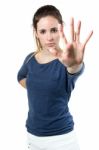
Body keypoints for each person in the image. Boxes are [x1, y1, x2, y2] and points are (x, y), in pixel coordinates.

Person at [17, 5, 93, 150]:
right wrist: (38, 88)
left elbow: (75, 69)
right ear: (36, 33)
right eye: (43, 31)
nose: (49, 37)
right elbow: (20, 77)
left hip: (62, 140)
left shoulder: (67, 61)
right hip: (33, 137)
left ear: (61, 29)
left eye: (53, 30)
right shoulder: (30, 59)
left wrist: (75, 63)